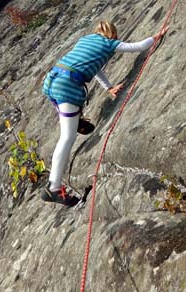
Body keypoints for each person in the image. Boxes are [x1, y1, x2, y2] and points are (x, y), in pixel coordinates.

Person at [41, 20, 166, 206]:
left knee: (68, 128)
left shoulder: (85, 40)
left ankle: (77, 119)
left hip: (53, 81)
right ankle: (53, 188)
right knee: (67, 137)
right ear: (112, 34)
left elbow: (95, 68)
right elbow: (138, 47)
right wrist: (156, 37)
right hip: (67, 85)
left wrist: (109, 88)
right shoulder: (109, 43)